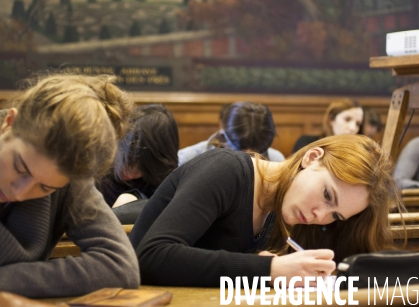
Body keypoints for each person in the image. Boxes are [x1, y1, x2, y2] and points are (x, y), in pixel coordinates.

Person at [130, 134, 398, 287]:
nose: (320, 215)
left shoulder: (281, 210)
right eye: (327, 195)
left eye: (335, 215)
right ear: (311, 158)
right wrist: (269, 268)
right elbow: (151, 256)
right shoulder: (226, 171)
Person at [0, 74, 140, 297]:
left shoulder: (70, 173)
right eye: (20, 168)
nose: (20, 193)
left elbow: (120, 266)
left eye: (45, 188)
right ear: (9, 123)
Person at [99, 104, 179, 208]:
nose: (128, 170)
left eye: (140, 163)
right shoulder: (97, 175)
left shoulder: (166, 185)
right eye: (125, 158)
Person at [178, 101, 285, 165]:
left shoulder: (276, 160)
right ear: (223, 132)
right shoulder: (188, 159)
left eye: (258, 152)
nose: (249, 160)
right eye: (240, 151)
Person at [291, 98, 364, 153]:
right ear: (331, 119)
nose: (353, 128)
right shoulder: (308, 143)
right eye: (347, 119)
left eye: (358, 124)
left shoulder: (358, 152)